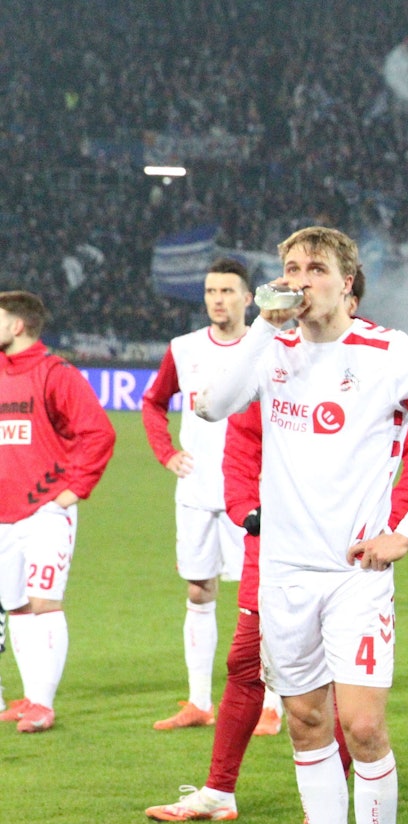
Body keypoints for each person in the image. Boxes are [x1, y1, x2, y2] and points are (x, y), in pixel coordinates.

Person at [196, 226, 408, 824]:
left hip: (355, 575)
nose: (301, 280)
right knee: (305, 723)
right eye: (292, 268)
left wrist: (405, 532)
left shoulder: (388, 351)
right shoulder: (272, 347)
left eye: (316, 268)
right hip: (283, 574)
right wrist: (263, 328)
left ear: (346, 281)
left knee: (365, 725)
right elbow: (212, 407)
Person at [140, 257, 254, 731]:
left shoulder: (269, 348)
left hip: (251, 493)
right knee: (198, 589)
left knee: (259, 598)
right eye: (211, 291)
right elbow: (153, 402)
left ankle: (270, 704)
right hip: (197, 490)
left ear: (248, 298)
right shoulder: (184, 348)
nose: (217, 300)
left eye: (227, 291)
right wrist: (166, 453)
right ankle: (199, 702)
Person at [0, 290, 116, 734]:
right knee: (17, 606)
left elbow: (99, 433)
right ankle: (30, 698)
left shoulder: (55, 373)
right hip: (4, 513)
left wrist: (72, 491)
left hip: (45, 512)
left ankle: (44, 705)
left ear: (18, 325)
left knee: (44, 602)